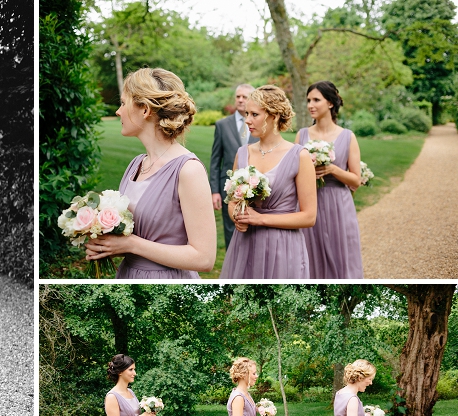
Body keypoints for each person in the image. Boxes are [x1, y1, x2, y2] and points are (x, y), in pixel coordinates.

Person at [84, 67, 216, 279]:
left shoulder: (188, 170)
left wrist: (131, 244)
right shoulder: (136, 164)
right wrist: (106, 245)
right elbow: (131, 236)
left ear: (144, 110)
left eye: (123, 103)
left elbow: (204, 258)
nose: (118, 111)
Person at [219, 85, 317, 279]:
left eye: (254, 114)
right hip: (246, 244)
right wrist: (237, 218)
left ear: (274, 115)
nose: (247, 120)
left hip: (283, 246)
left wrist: (261, 219)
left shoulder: (300, 156)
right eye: (246, 113)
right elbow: (232, 202)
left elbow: (309, 217)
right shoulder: (242, 153)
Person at [296, 81, 363, 278]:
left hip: (339, 204)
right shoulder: (302, 135)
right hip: (310, 203)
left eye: (316, 100)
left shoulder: (348, 137)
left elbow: (355, 180)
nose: (310, 105)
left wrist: (332, 169)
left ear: (330, 103)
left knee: (342, 255)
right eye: (308, 100)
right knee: (310, 253)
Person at [209, 84, 259, 249]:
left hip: (256, 186)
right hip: (229, 187)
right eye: (238, 96)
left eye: (244, 97)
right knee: (231, 228)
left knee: (254, 229)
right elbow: (216, 160)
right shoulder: (222, 125)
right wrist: (215, 191)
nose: (240, 100)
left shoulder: (260, 124)